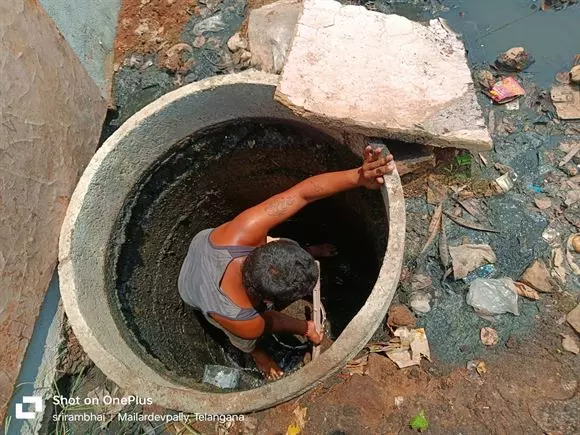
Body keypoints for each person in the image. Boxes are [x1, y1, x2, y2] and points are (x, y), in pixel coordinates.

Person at [178, 145, 397, 380]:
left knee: (280, 263)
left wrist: (358, 176)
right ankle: (259, 358)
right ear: (268, 300)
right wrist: (306, 329)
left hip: (205, 246)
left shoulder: (246, 229)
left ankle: (307, 252)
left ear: (264, 246)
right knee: (246, 341)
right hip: (194, 290)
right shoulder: (241, 316)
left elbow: (303, 193)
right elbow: (270, 321)